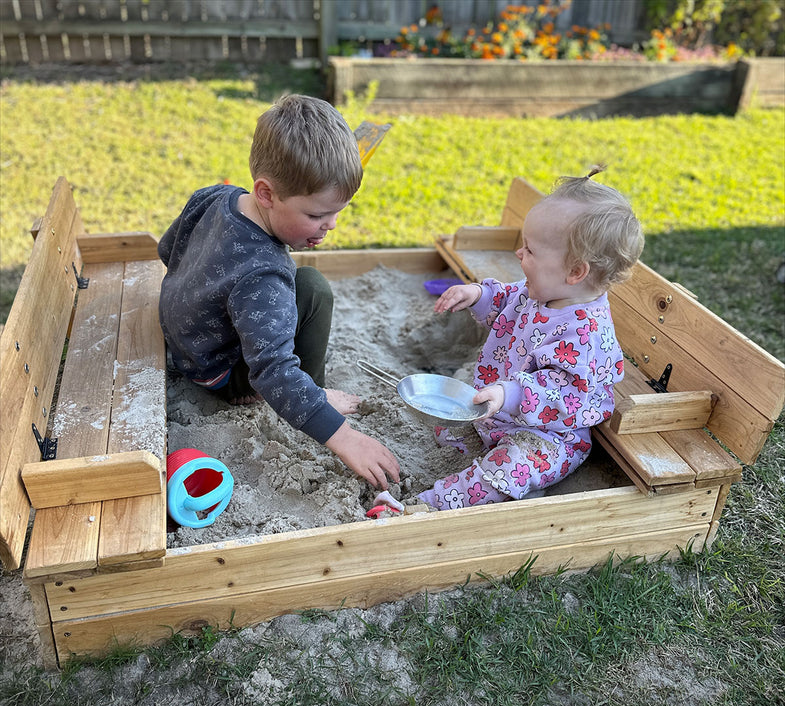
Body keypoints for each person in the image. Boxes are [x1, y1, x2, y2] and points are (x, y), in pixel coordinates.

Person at [158, 94, 399, 489]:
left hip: (186, 345)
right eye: (316, 215)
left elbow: (168, 250)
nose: (331, 225)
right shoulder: (263, 275)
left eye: (338, 212)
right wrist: (344, 436)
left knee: (290, 293)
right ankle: (316, 388)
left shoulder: (214, 196)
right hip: (222, 374)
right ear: (267, 194)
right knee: (313, 288)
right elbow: (273, 372)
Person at [418, 168, 644, 510]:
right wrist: (477, 294)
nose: (519, 255)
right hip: (502, 416)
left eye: (530, 250)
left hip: (549, 436)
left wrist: (510, 393)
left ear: (575, 271)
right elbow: (508, 298)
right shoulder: (542, 292)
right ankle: (476, 474)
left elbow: (560, 392)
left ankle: (434, 504)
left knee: (508, 467)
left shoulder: (585, 332)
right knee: (446, 424)